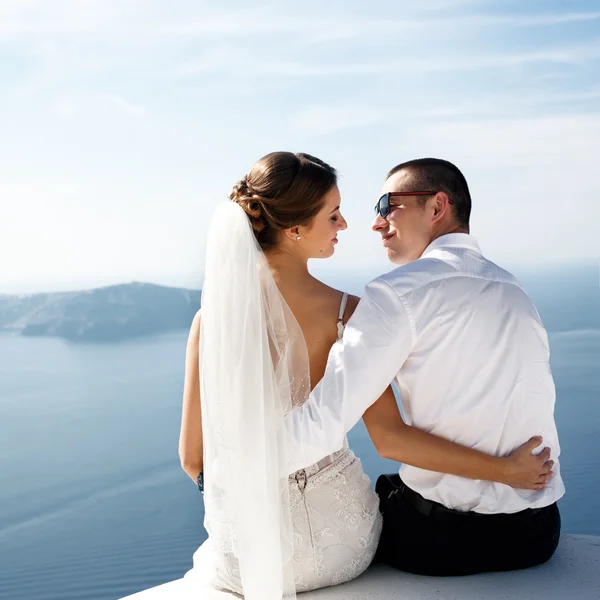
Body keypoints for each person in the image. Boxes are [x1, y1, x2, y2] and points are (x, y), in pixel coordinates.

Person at [178, 153, 554, 599]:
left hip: (243, 551)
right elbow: (387, 435)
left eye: (385, 206)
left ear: (437, 207)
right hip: (346, 544)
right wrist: (505, 470)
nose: (351, 225)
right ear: (294, 228)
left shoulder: (210, 321)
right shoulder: (356, 311)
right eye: (334, 215)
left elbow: (193, 458)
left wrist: (242, 492)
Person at [284, 157, 565, 577]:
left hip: (444, 540)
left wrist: (233, 470)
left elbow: (325, 422)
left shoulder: (397, 294)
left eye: (387, 205)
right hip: (539, 533)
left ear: (437, 207)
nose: (376, 223)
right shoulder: (514, 288)